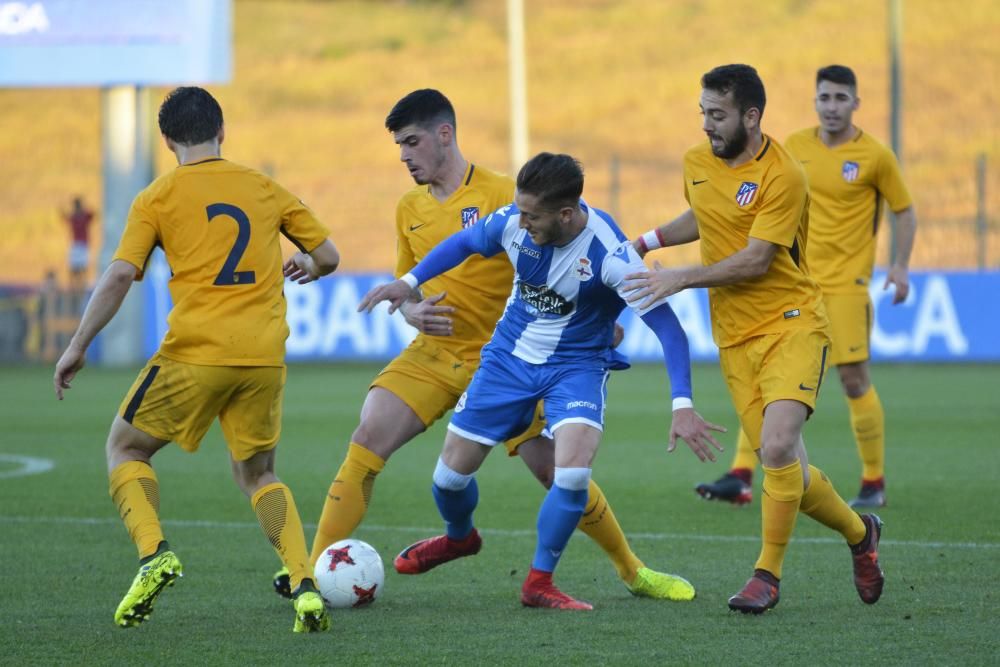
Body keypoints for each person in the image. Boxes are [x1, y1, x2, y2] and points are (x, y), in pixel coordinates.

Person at [273, 89, 708, 605]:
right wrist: (409, 298)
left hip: (518, 355)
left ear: (444, 134)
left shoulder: (511, 195)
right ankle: (314, 573)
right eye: (398, 146)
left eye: (412, 142)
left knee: (561, 473)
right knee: (372, 440)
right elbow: (412, 277)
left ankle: (631, 570)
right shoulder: (411, 207)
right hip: (440, 354)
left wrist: (600, 324)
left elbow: (609, 293)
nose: (404, 156)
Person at [359, 151, 724, 609]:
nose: (521, 220)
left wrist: (682, 405)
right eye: (520, 210)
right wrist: (409, 281)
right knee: (449, 478)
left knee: (571, 473)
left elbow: (668, 328)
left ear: (566, 214)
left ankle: (538, 581)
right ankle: (459, 538)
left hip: (577, 367)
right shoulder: (514, 220)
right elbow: (466, 242)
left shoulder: (609, 253)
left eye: (533, 215)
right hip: (508, 359)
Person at [52, 86, 340, 633]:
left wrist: (77, 345)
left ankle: (154, 552)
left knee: (126, 446)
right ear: (221, 131)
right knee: (258, 473)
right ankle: (303, 585)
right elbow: (327, 255)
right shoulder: (262, 186)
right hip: (262, 355)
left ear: (166, 141)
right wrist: (306, 263)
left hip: (195, 352)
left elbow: (118, 274)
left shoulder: (157, 196)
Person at [626, 64, 884, 613]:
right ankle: (861, 534)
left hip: (792, 320)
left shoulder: (784, 175)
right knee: (781, 462)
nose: (706, 126)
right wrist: (646, 241)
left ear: (751, 116)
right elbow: (705, 215)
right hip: (735, 337)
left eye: (716, 116)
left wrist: (679, 277)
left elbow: (755, 259)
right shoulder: (698, 162)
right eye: (702, 113)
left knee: (780, 446)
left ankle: (766, 575)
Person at [695, 65, 916, 509]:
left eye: (840, 98)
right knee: (767, 380)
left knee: (854, 379)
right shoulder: (792, 148)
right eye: (824, 98)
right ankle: (741, 475)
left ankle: (873, 479)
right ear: (814, 102)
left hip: (846, 284)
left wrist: (901, 266)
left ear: (855, 103)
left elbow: (904, 210)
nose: (831, 107)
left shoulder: (875, 155)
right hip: (791, 282)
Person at [62, 196, 95, 311]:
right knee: (75, 271)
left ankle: (81, 292)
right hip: (78, 245)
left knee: (81, 271)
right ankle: (75, 293)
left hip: (81, 246)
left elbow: (93, 214)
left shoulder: (82, 215)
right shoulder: (76, 216)